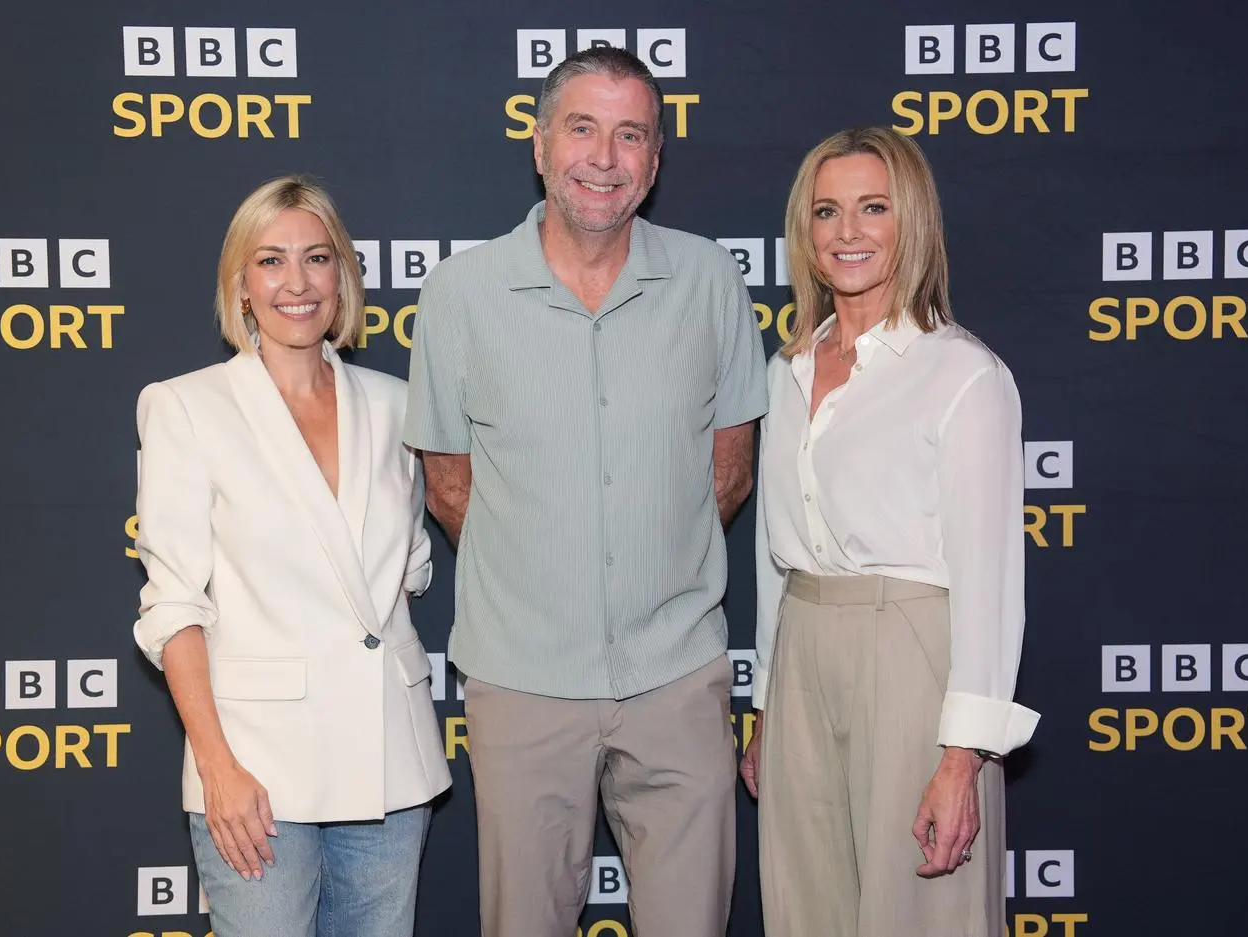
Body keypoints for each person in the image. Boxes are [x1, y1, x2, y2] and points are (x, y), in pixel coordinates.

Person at [404, 46, 768, 937]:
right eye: (582, 128)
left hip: (678, 677)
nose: (604, 157)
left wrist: (651, 555)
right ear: (538, 145)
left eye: (630, 134)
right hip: (523, 679)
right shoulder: (460, 294)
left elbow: (729, 470)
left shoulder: (712, 281)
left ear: (653, 160)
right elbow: (450, 486)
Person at [739, 127, 1041, 937]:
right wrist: (767, 703)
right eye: (827, 211)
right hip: (803, 649)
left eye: (873, 208)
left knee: (923, 913)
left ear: (911, 221)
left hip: (912, 656)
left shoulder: (963, 373)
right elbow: (776, 558)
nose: (848, 233)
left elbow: (990, 581)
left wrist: (963, 756)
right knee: (805, 909)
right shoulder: (787, 369)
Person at [132, 175, 450, 937]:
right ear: (241, 284)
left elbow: (407, 570)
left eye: (317, 258)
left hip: (388, 758)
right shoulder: (187, 406)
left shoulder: (394, 403)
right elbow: (174, 605)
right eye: (270, 261)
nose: (297, 283)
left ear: (342, 276)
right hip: (258, 765)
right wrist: (216, 764)